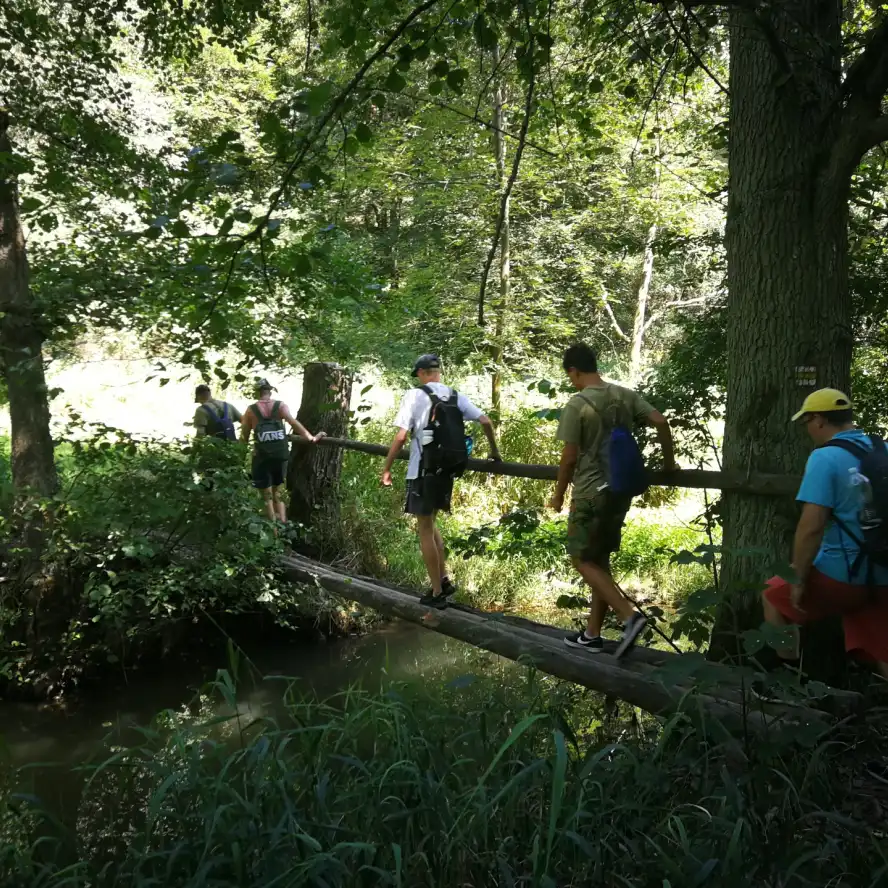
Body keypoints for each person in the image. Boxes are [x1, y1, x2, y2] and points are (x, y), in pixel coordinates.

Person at [548, 343, 677, 657]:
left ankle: (629, 617)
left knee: (581, 559)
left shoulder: (577, 403)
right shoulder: (623, 395)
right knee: (600, 560)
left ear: (574, 371)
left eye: (571, 376)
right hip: (620, 490)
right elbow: (660, 420)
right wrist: (669, 464)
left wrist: (558, 495)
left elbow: (568, 458)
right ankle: (592, 634)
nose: (572, 381)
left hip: (590, 492)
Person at [761, 388, 888, 678]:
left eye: (806, 422)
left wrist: (798, 576)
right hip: (884, 570)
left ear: (818, 420)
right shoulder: (883, 449)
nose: (807, 430)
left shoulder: (825, 458)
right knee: (882, 644)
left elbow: (812, 526)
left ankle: (788, 680)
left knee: (771, 594)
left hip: (845, 574)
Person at [380, 354, 502, 608]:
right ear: (439, 372)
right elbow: (485, 420)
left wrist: (387, 468)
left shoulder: (414, 395)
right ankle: (443, 579)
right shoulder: (454, 396)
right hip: (446, 470)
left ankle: (436, 592)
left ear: (422, 373)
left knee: (424, 527)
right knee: (431, 521)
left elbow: (402, 436)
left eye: (419, 374)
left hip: (422, 470)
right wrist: (494, 452)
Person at [241, 379, 324, 522]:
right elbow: (293, 422)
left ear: (257, 393)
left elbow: (244, 437)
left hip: (262, 458)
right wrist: (311, 438)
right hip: (280, 455)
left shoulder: (251, 410)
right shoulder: (280, 406)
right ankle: (283, 527)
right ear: (270, 391)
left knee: (267, 497)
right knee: (277, 493)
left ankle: (274, 533)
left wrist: (239, 458)